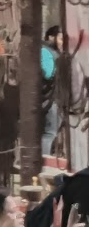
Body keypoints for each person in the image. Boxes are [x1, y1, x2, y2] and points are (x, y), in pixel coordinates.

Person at [42, 25, 65, 163]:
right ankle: (44, 164)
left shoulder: (59, 54)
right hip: (49, 99)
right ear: (51, 37)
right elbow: (48, 72)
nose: (64, 42)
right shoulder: (45, 51)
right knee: (49, 133)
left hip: (59, 98)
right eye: (61, 38)